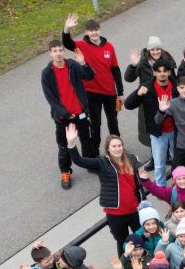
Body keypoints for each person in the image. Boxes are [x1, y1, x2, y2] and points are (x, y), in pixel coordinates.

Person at [67, 128, 145, 255]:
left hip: (135, 210)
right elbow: (79, 161)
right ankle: (125, 268)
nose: (117, 148)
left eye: (119, 145)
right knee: (123, 243)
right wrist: (71, 143)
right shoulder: (101, 163)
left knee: (141, 238)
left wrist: (143, 202)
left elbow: (138, 183)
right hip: (116, 215)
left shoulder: (131, 158)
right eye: (114, 146)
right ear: (108, 149)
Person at [62, 13, 124, 154]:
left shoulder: (109, 47)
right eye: (91, 30)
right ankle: (94, 154)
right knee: (95, 125)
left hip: (109, 92)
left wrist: (120, 92)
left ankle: (118, 149)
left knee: (113, 122)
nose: (94, 32)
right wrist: (66, 29)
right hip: (92, 93)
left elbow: (115, 70)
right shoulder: (81, 45)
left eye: (96, 29)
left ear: (99, 30)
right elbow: (67, 43)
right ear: (86, 32)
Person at [40, 41, 95, 189]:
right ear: (50, 53)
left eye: (60, 50)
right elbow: (50, 98)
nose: (58, 53)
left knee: (87, 141)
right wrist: (65, 113)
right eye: (55, 51)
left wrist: (83, 63)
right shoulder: (46, 73)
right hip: (63, 118)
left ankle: (91, 164)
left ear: (64, 52)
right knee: (63, 147)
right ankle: (65, 172)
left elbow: (89, 76)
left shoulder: (73, 65)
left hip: (81, 114)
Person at [123, 60, 176, 181]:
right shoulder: (146, 88)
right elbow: (128, 105)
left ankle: (179, 184)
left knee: (178, 161)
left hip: (176, 131)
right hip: (158, 134)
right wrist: (138, 94)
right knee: (159, 165)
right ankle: (161, 187)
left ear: (169, 72)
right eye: (159, 71)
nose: (162, 74)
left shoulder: (177, 86)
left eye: (165, 71)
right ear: (154, 72)